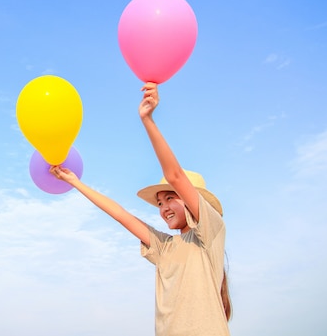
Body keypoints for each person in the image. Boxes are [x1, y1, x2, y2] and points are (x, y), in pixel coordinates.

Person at [50, 82, 231, 336]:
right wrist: (75, 183)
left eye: (170, 198)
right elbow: (121, 214)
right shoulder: (165, 247)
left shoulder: (210, 232)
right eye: (160, 203)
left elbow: (175, 175)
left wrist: (147, 120)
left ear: (192, 200)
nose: (164, 207)